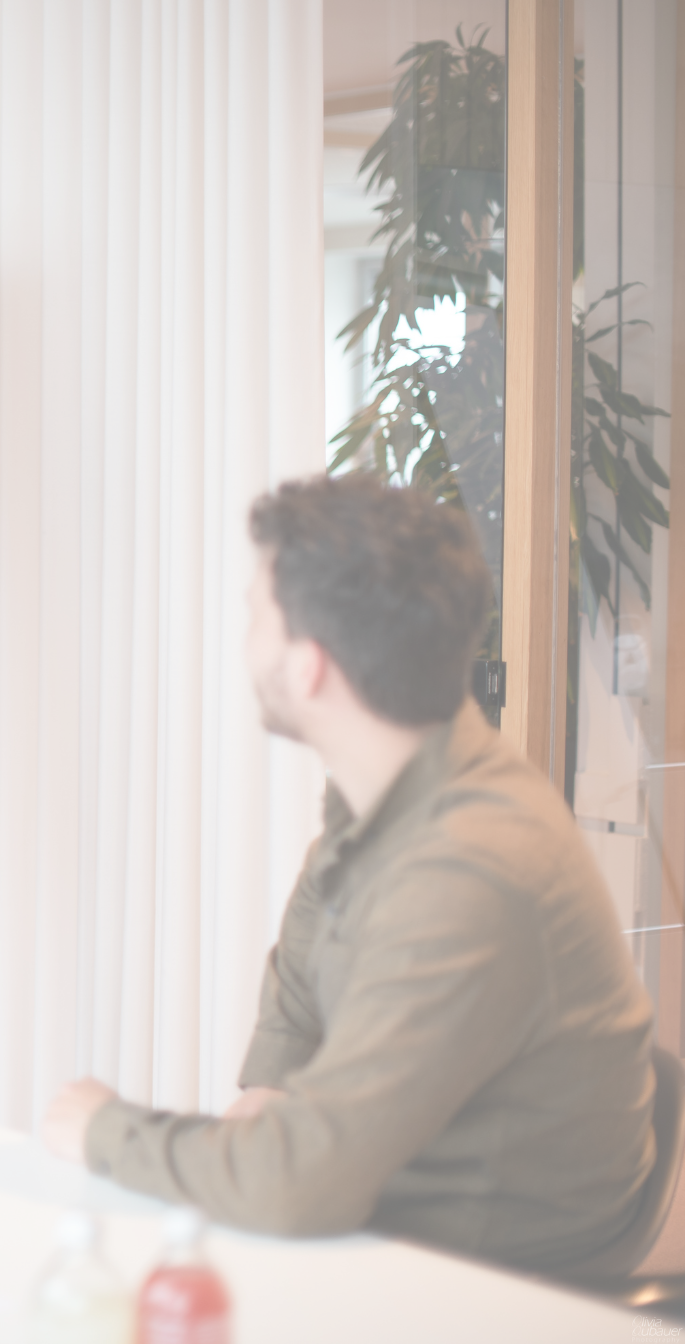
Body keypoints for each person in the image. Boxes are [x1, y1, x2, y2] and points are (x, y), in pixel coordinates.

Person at [41, 473, 662, 1281]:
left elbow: (300, 1186)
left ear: (309, 668)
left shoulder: (469, 867)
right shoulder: (388, 786)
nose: (245, 634)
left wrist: (104, 1128)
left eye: (255, 612)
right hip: (384, 1220)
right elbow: (301, 975)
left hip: (479, 1284)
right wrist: (267, 1095)